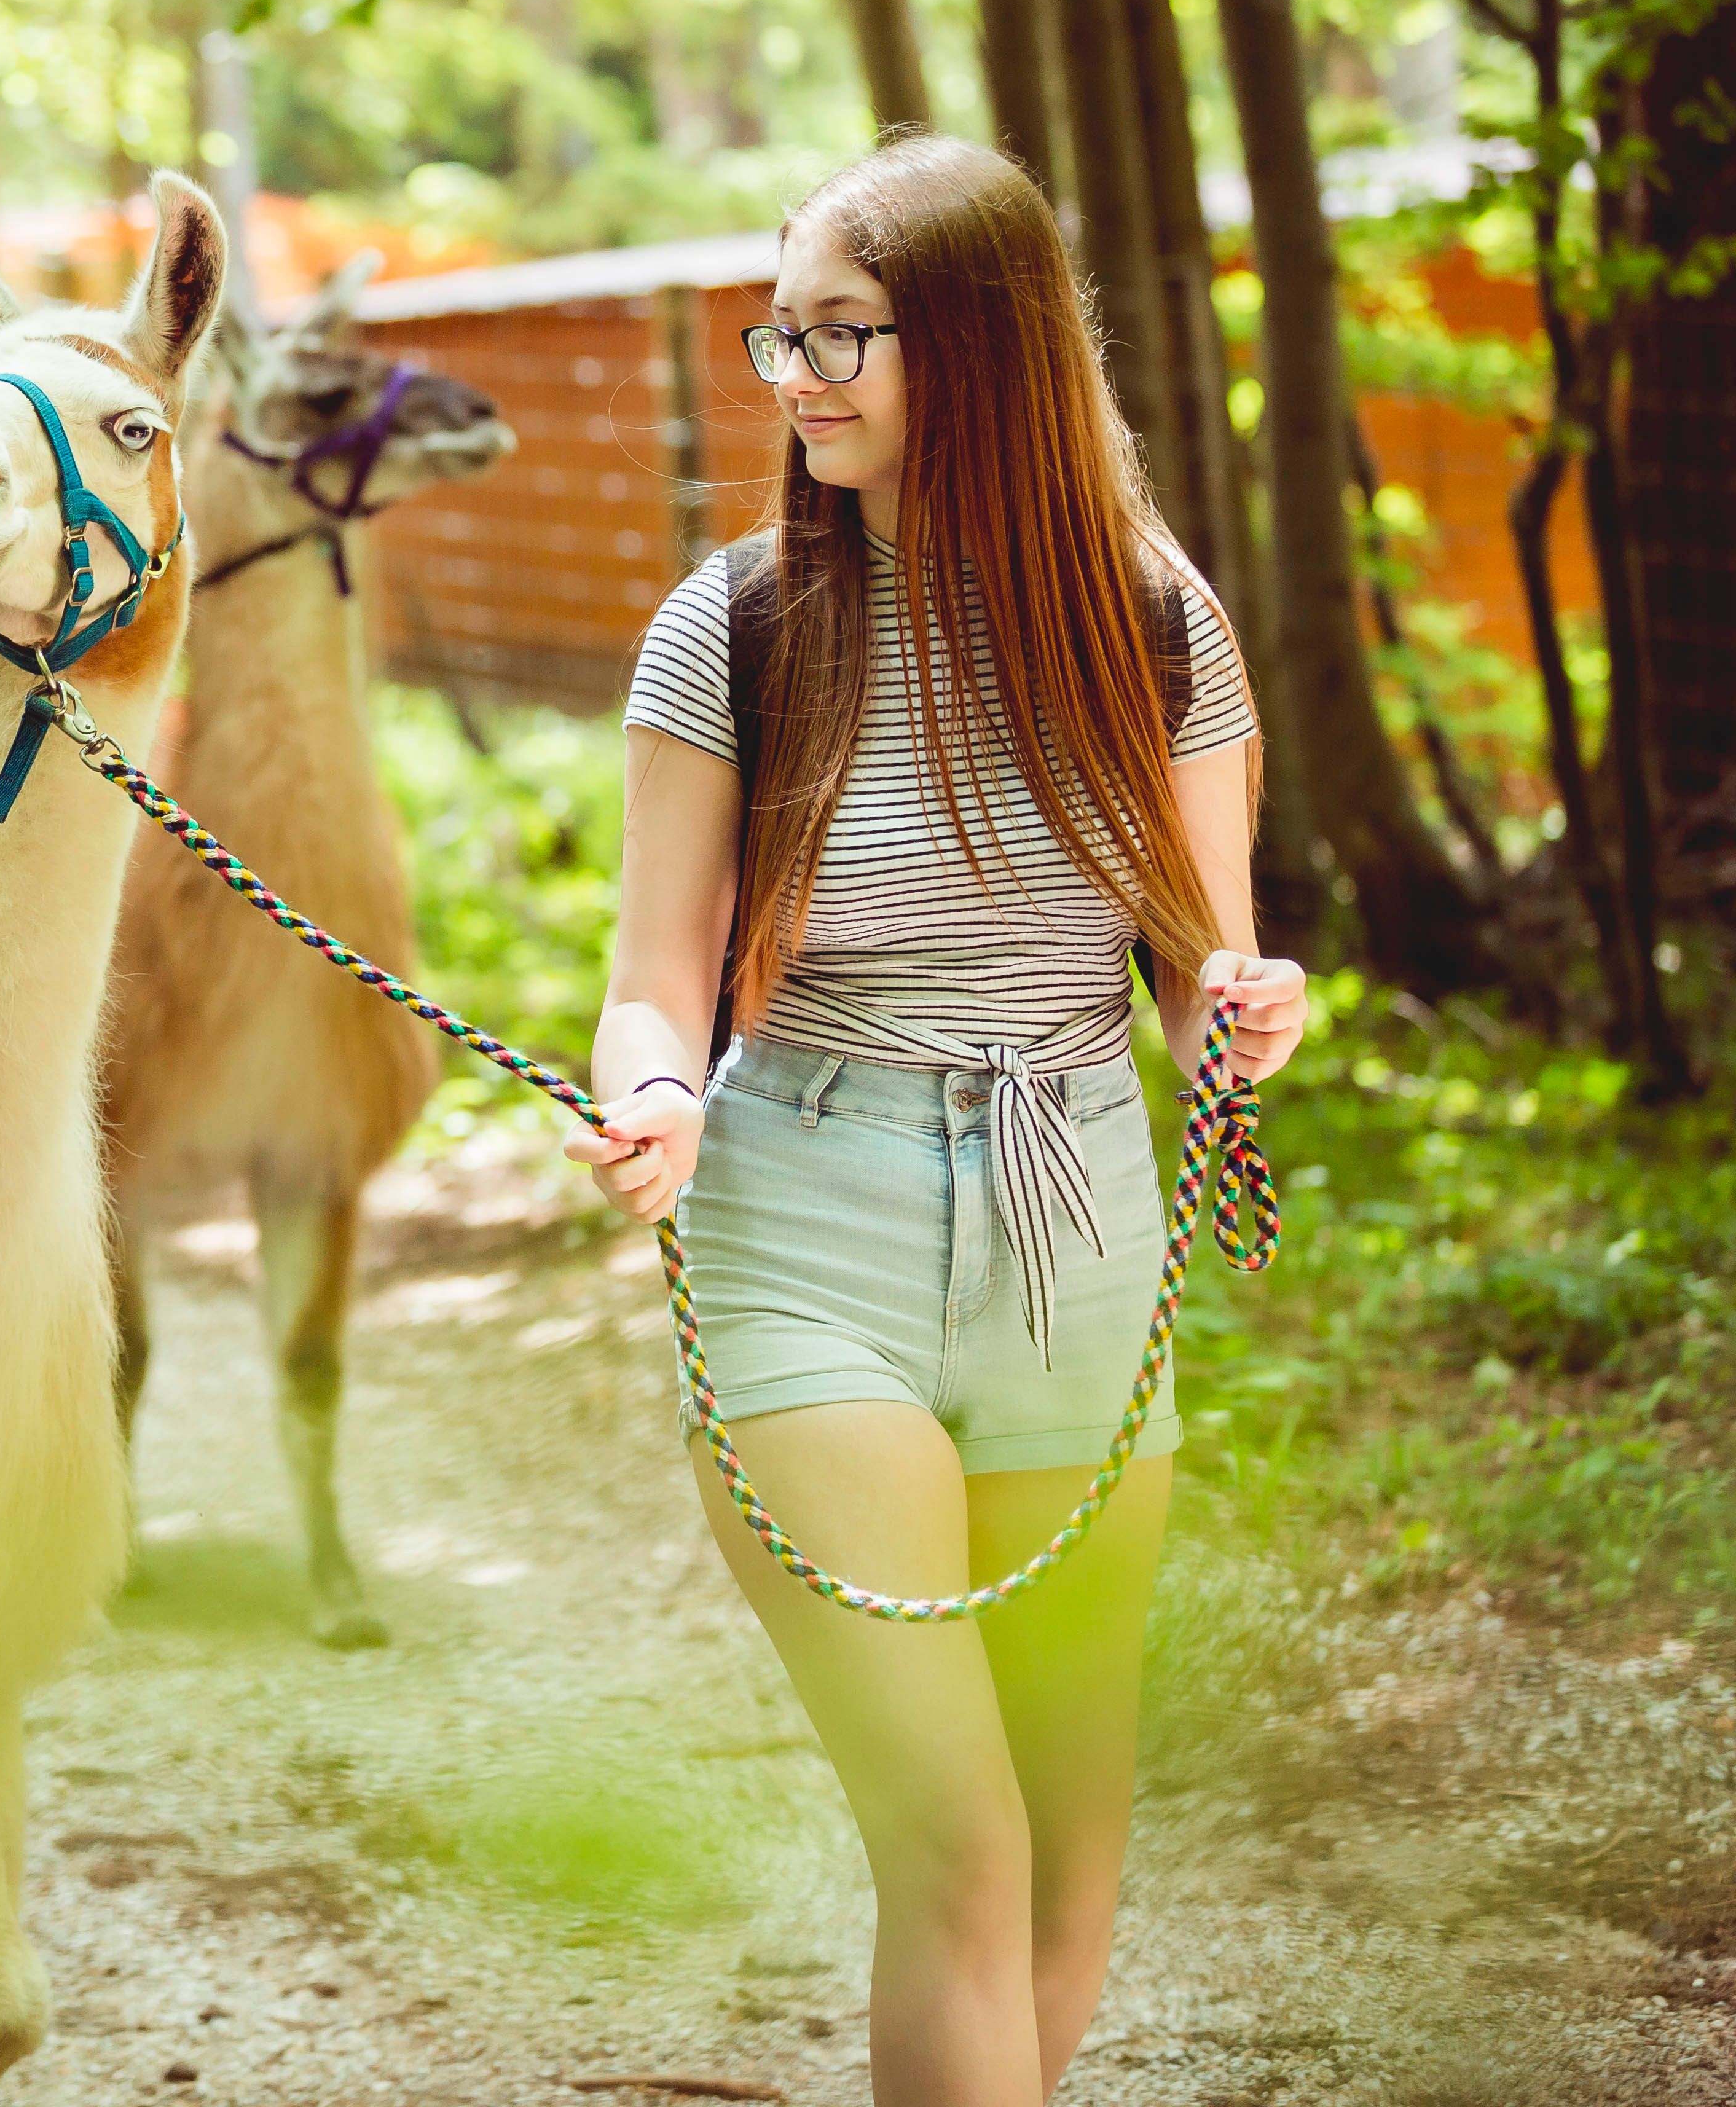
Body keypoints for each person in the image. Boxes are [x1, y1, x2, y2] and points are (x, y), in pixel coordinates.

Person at [564, 138, 1308, 2107]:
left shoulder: (1155, 625)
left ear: (976, 347)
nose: (791, 375)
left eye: (838, 335)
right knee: (959, 1849)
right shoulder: (730, 625)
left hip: (1080, 1221)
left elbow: (1198, 962)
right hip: (809, 1215)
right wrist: (650, 1084)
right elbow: (659, 961)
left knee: (1071, 1851)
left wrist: (1242, 1010)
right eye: (779, 332)